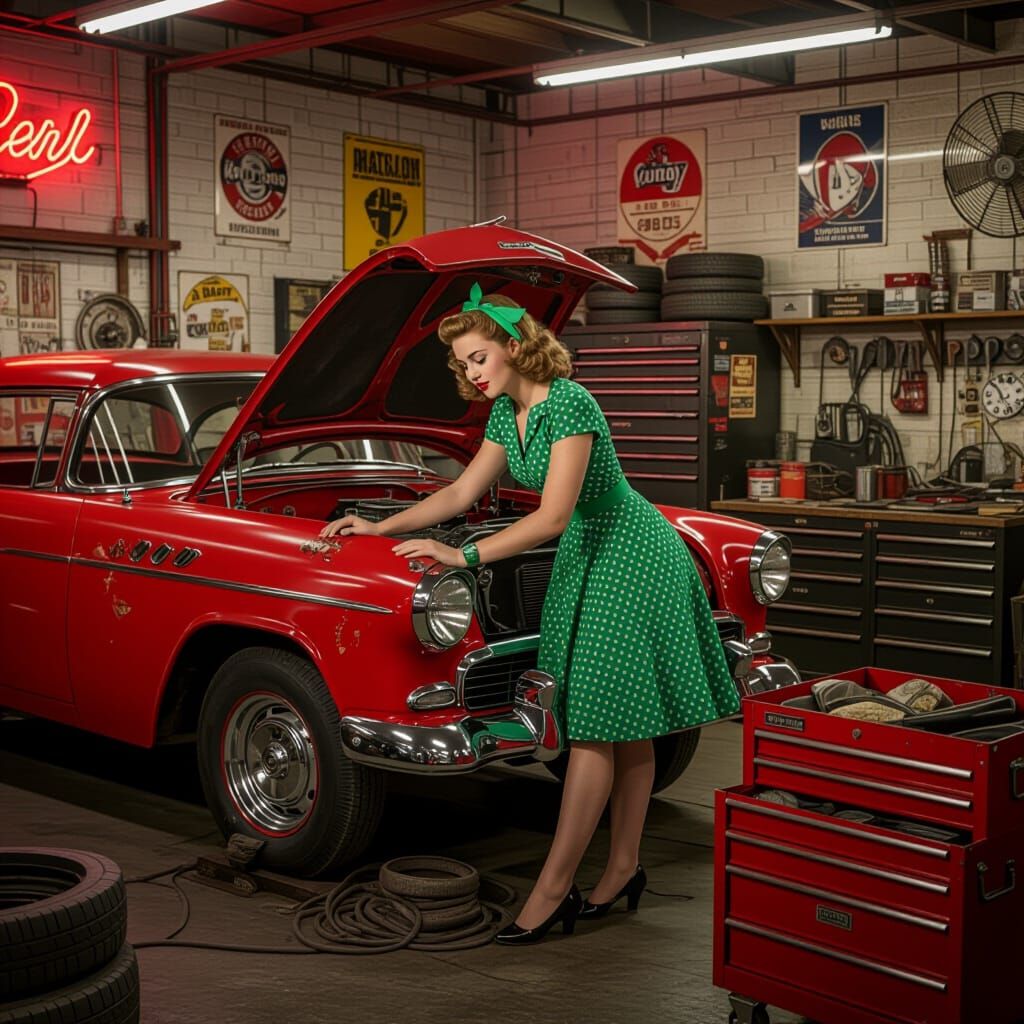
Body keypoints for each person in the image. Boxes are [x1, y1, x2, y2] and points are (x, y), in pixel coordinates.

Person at [321, 283, 739, 944]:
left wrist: (463, 560)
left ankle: (553, 888)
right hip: (587, 556)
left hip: (631, 552)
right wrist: (378, 526)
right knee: (624, 721)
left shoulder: (570, 402)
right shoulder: (502, 415)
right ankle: (624, 867)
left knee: (599, 724)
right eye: (462, 363)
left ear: (515, 346)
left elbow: (552, 514)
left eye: (479, 357)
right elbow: (460, 490)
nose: (471, 372)